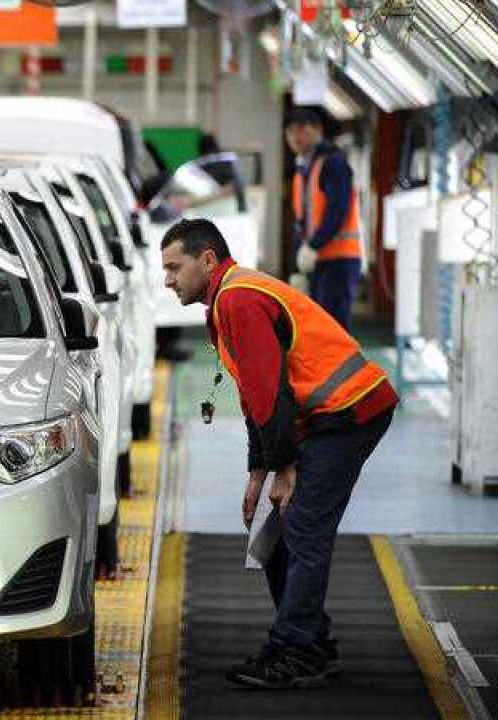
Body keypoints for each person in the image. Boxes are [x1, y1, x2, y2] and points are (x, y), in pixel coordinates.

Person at [160, 218, 398, 690]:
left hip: (349, 411)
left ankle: (297, 649)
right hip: (322, 417)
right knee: (271, 524)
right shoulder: (227, 299)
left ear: (207, 260)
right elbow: (256, 395)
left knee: (302, 526)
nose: (167, 281)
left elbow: (271, 395)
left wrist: (283, 469)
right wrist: (259, 473)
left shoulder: (238, 299)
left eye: (173, 267)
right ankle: (310, 641)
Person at [285, 107, 363, 329]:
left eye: (301, 129)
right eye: (290, 131)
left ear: (318, 130)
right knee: (319, 330)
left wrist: (313, 246)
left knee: (333, 330)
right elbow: (303, 221)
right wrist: (299, 261)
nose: (295, 136)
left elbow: (338, 210)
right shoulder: (303, 170)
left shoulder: (333, 163)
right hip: (317, 261)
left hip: (339, 260)